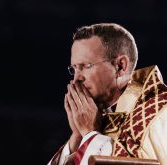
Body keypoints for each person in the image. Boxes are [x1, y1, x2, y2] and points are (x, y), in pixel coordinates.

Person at [48, 23, 167, 165]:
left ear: (120, 66)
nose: (77, 78)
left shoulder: (160, 113)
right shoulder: (98, 116)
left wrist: (90, 133)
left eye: (86, 66)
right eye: (74, 69)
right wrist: (77, 137)